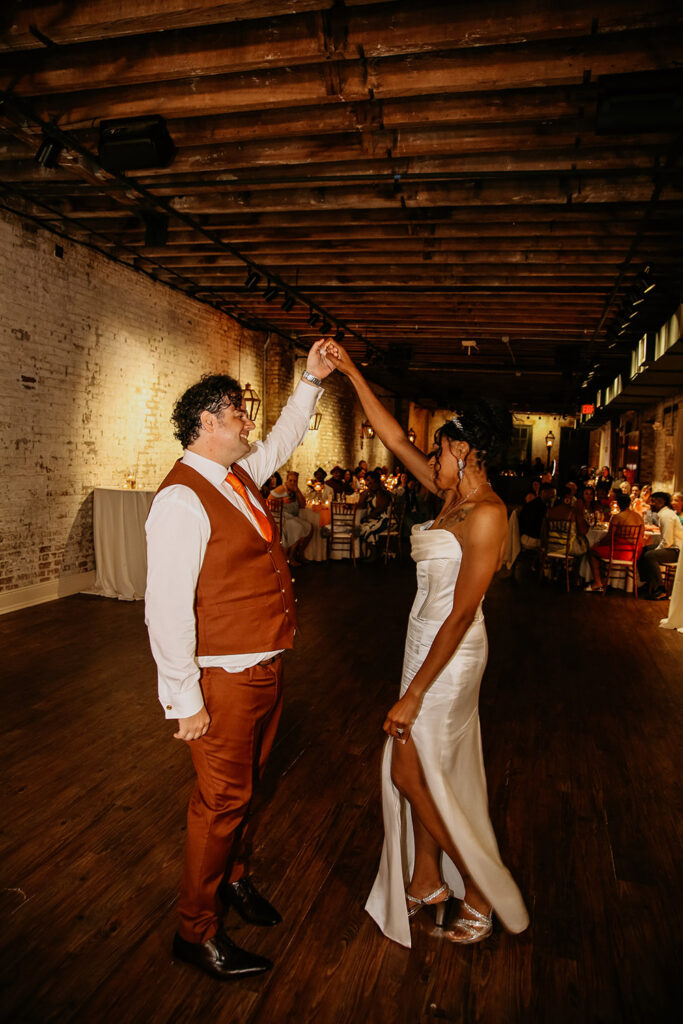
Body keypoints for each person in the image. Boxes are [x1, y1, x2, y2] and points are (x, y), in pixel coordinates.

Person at [325, 340, 528, 948]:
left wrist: (413, 694)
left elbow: (464, 611)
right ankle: (426, 878)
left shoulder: (487, 514)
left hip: (452, 654)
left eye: (439, 448)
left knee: (411, 770)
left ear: (462, 451)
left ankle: (477, 889)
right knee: (421, 771)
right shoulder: (449, 499)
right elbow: (392, 439)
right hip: (421, 643)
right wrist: (353, 373)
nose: (430, 458)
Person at [144, 340, 334, 981]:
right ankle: (194, 932)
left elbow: (280, 442)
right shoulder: (180, 499)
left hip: (264, 665)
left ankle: (234, 878)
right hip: (222, 679)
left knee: (247, 787)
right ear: (206, 423)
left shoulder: (232, 478)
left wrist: (311, 378)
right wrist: (184, 700)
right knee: (221, 801)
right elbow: (165, 609)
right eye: (237, 413)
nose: (248, 423)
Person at [585, 491, 644, 592]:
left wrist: (598, 543)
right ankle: (604, 580)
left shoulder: (617, 517)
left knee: (592, 552)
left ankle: (597, 582)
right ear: (629, 503)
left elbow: (609, 537)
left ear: (618, 504)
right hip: (635, 551)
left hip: (621, 552)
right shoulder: (638, 517)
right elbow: (642, 534)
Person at [638, 492, 683, 600]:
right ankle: (649, 583)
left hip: (676, 550)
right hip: (671, 546)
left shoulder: (666, 516)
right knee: (643, 550)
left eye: (653, 501)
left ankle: (660, 589)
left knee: (650, 555)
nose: (650, 504)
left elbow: (667, 542)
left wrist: (656, 550)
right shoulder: (664, 514)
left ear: (662, 503)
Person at [269, 470, 313, 566]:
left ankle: (300, 553)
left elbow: (302, 505)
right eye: (291, 481)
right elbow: (268, 502)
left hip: (292, 517)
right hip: (282, 518)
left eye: (295, 481)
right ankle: (290, 557)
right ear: (287, 480)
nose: (293, 483)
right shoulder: (281, 489)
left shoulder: (295, 490)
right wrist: (282, 501)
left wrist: (297, 491)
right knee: (298, 527)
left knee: (309, 527)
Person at [357, 469, 391, 555]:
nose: (367, 483)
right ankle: (369, 553)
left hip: (385, 520)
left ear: (375, 481)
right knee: (359, 528)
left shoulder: (382, 493)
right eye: (367, 481)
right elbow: (360, 506)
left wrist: (368, 517)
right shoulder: (370, 493)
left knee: (367, 529)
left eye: (369, 481)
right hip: (374, 520)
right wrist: (364, 495)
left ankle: (373, 553)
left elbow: (379, 509)